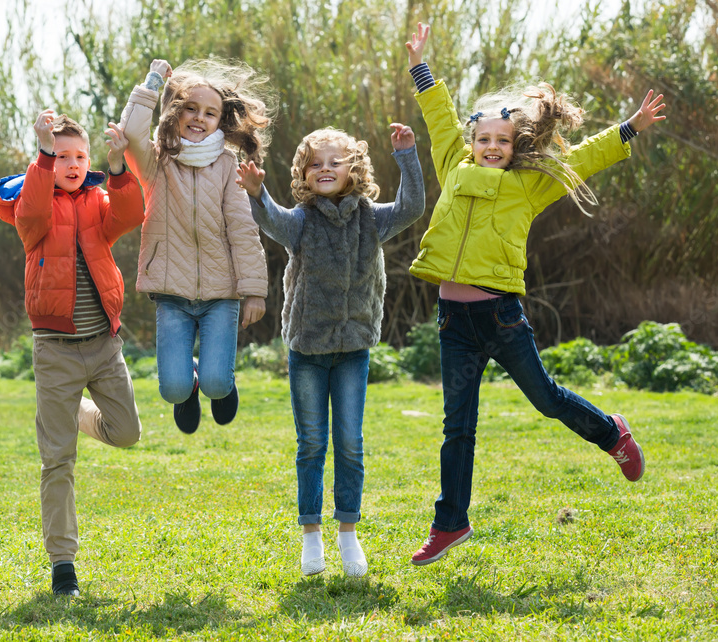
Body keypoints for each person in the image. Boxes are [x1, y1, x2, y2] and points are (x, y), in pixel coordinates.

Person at [404, 23, 666, 566]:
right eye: (484, 140)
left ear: (514, 145)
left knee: (546, 400)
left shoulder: (530, 183)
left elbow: (586, 157)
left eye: (502, 141)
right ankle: (450, 522)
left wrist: (631, 128)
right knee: (458, 427)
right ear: (471, 142)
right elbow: (437, 115)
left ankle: (611, 433)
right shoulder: (453, 161)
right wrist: (421, 67)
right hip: (452, 319)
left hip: (501, 316)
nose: (492, 147)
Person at [237, 124, 426, 577]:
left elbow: (413, 207)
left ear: (353, 169)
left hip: (354, 348)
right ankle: (310, 537)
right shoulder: (303, 220)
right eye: (315, 164)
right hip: (307, 349)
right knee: (312, 444)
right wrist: (257, 193)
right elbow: (274, 222)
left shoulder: (371, 218)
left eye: (334, 162)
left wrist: (407, 156)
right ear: (304, 172)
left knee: (350, 442)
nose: (324, 169)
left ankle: (348, 533)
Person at [0, 111, 145, 596]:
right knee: (58, 462)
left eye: (80, 156)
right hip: (55, 351)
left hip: (103, 346)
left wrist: (118, 167)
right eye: (62, 156)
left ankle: (76, 411)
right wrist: (43, 151)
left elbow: (130, 215)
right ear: (47, 161)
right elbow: (31, 210)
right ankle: (63, 566)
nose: (72, 164)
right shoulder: (31, 209)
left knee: (128, 432)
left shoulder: (98, 202)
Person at [118, 58, 272, 434]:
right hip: (171, 293)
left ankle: (219, 385)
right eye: (190, 108)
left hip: (221, 294)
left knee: (219, 381)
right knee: (173, 388)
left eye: (210, 112)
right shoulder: (156, 161)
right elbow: (131, 130)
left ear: (222, 120)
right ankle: (188, 390)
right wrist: (153, 81)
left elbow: (242, 228)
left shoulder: (226, 164)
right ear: (174, 110)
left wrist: (253, 291)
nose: (199, 118)